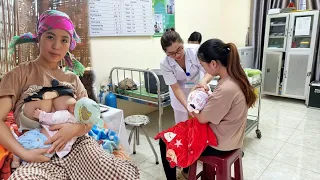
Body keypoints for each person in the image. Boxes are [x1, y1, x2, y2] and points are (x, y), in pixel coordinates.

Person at [0, 10, 139, 179]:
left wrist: (75, 128)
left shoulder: (72, 78)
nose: (57, 46)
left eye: (64, 40)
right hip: (38, 151)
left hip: (78, 145)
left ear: (69, 44)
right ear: (39, 38)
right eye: (50, 37)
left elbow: (91, 116)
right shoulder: (18, 74)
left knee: (123, 176)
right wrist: (24, 153)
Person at [160, 38, 257, 179]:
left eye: (203, 66)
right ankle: (187, 169)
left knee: (165, 139)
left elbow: (202, 118)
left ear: (213, 63)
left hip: (219, 144)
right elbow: (217, 107)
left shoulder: (226, 88)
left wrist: (192, 103)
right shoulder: (235, 78)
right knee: (182, 128)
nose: (204, 70)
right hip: (230, 135)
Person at [159, 29, 213, 179]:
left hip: (199, 92)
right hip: (180, 97)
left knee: (202, 128)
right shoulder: (165, 64)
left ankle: (202, 158)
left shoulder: (195, 51)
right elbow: (175, 87)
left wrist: (203, 81)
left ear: (183, 43)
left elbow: (211, 70)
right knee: (185, 132)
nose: (177, 55)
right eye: (172, 53)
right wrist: (187, 107)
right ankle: (187, 165)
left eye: (179, 49)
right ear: (166, 53)